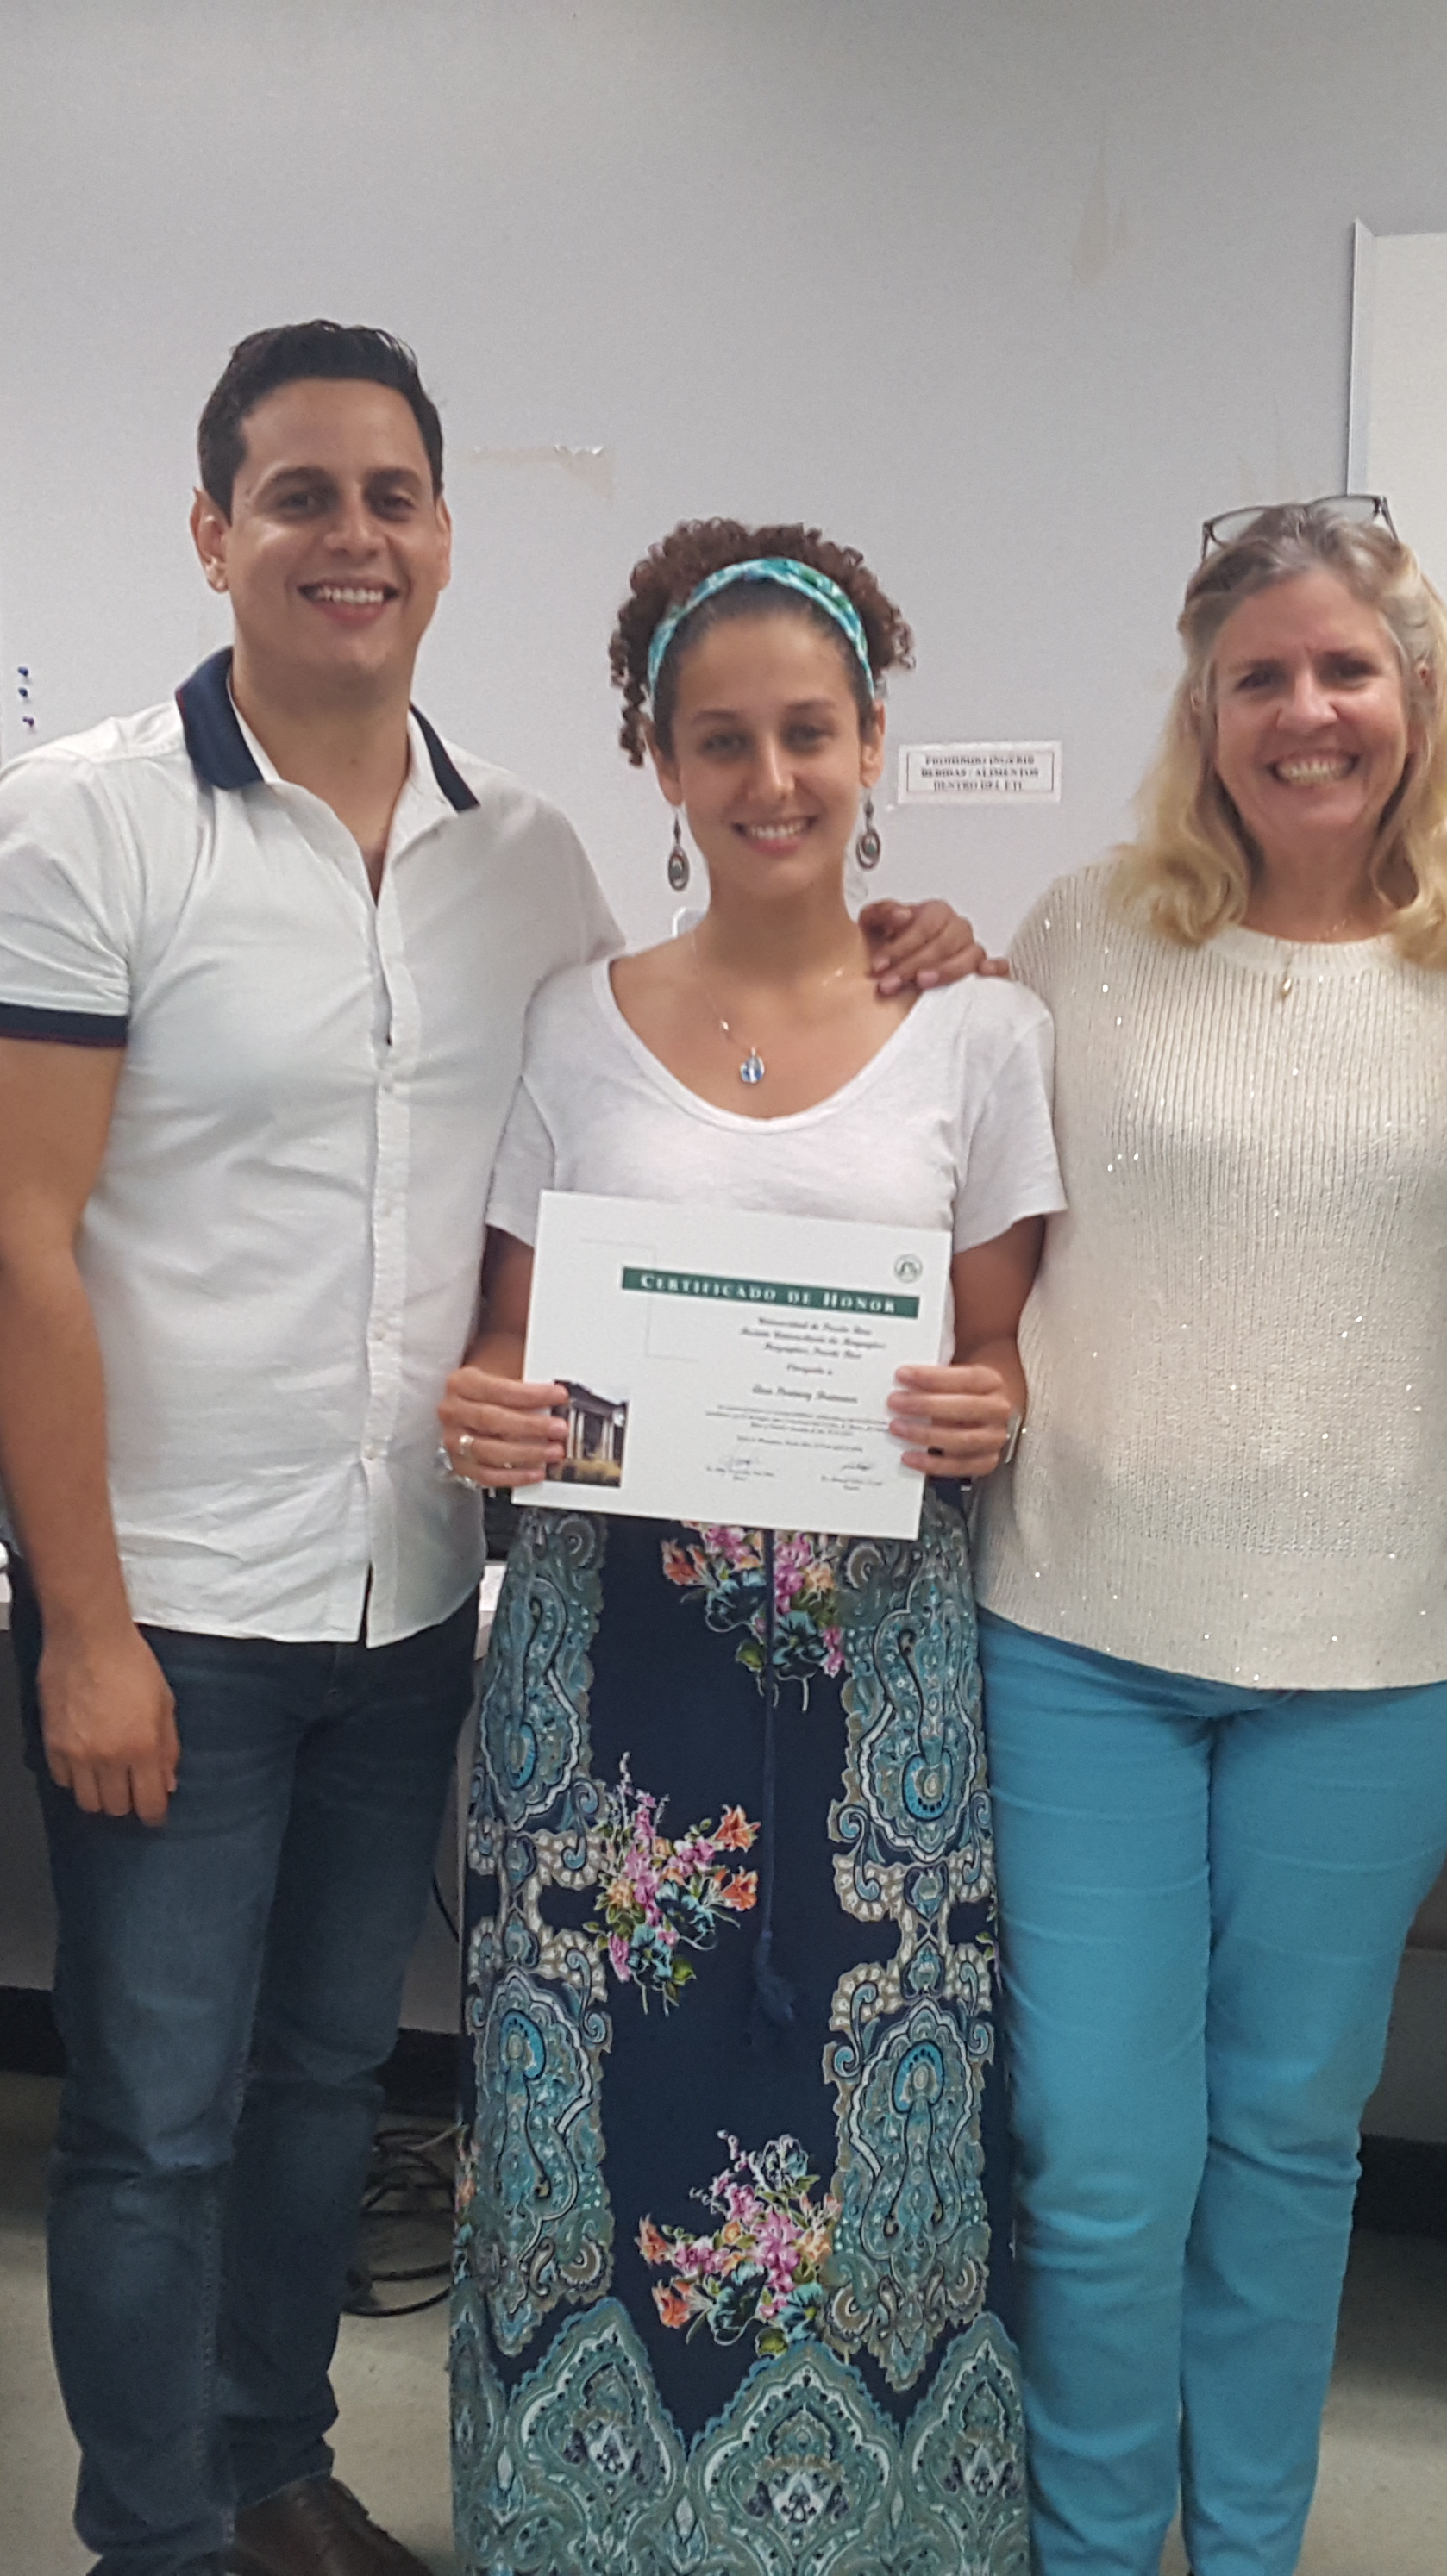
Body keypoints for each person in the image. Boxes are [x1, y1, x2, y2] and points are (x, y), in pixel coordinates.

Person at [0, 323, 984, 2576]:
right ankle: (157, 2533)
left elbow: (649, 1161)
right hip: (173, 1606)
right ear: (212, 530)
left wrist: (911, 956)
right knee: (154, 2118)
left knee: (328, 2086)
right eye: (298, 495)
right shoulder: (81, 825)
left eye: (390, 493)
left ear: (442, 532)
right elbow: (12, 1251)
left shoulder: (534, 862)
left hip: (417, 1595)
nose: (350, 536)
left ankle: (270, 2455)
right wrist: (80, 1623)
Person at [435, 522, 1057, 2573]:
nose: (771, 778)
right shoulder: (567, 1017)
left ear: (876, 738)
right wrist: (489, 1414)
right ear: (659, 758)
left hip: (871, 1687)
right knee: (600, 2126)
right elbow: (511, 1348)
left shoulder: (985, 1035)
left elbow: (1004, 1356)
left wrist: (993, 1403)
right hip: (612, 1678)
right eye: (723, 739)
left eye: (810, 730)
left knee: (874, 2105)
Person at [974, 496, 1447, 2576]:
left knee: (1288, 2146)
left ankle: (1253, 2551)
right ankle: (1100, 2555)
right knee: (1099, 2156)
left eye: (1346, 671)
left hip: (1385, 1647)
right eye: (1260, 676)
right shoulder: (1082, 933)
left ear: (1415, 698)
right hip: (1082, 1624)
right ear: (1203, 711)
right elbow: (965, 1206)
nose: (1306, 711)